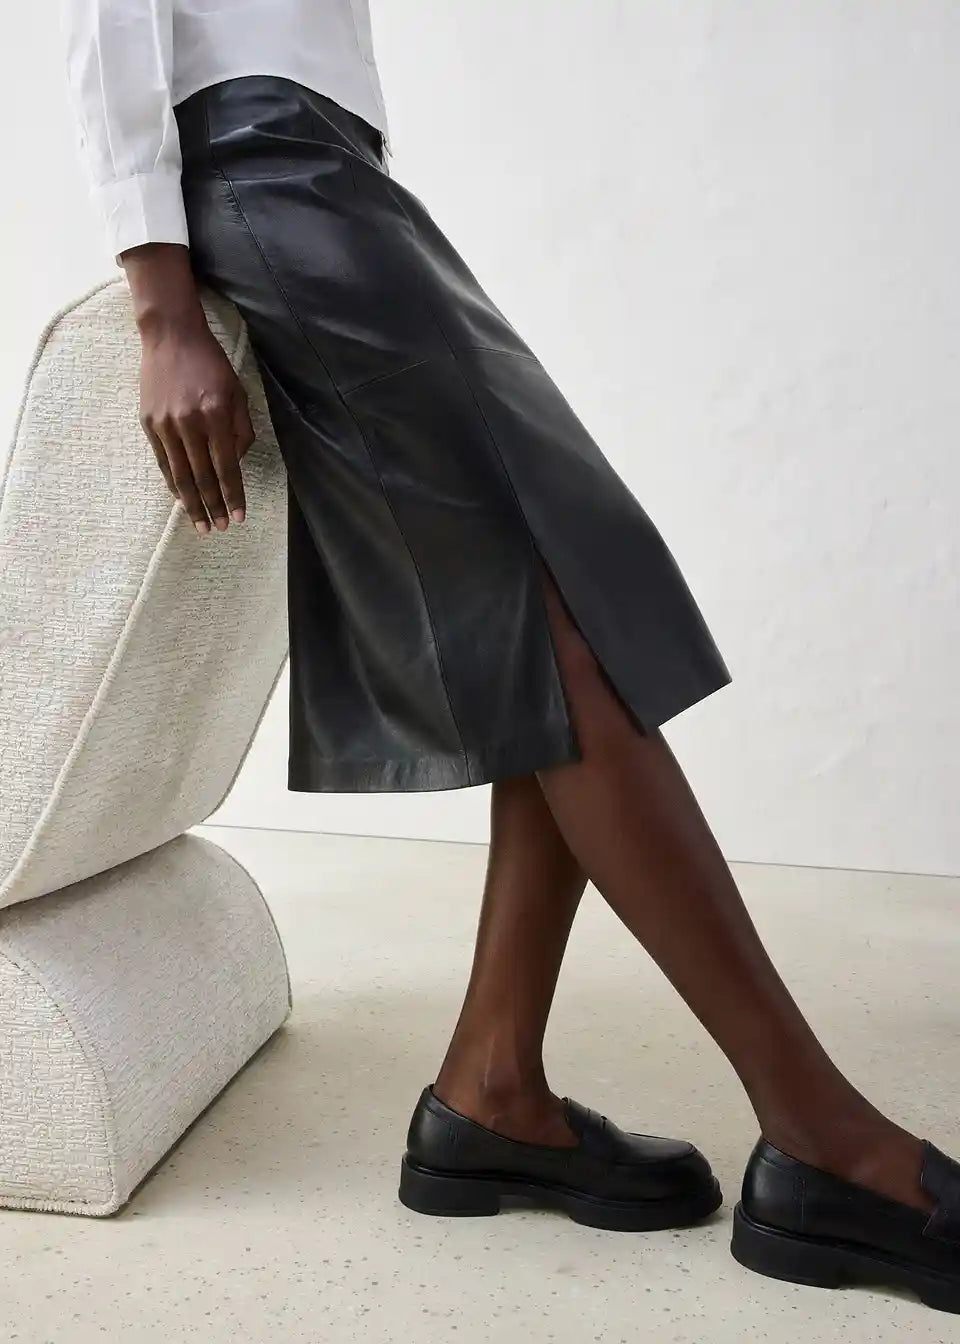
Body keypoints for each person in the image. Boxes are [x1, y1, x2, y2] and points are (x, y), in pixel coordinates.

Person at [61, 0, 960, 1313]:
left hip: (336, 179)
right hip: (265, 173)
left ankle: (493, 1088)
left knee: (556, 615)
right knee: (560, 626)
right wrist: (160, 307)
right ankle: (822, 1135)